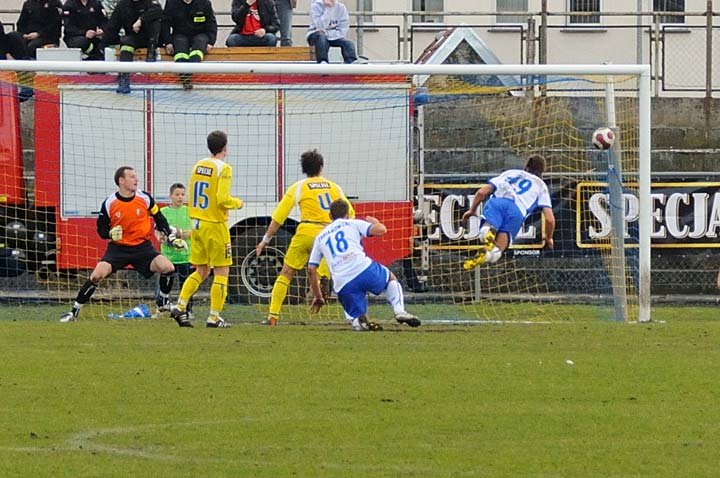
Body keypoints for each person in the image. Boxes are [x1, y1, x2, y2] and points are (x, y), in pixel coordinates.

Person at [60, 166, 190, 325]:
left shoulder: (145, 198)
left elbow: (160, 219)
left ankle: (162, 302)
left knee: (168, 267)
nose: (136, 180)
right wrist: (109, 234)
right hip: (118, 249)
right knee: (96, 275)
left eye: (136, 176)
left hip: (143, 248)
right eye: (132, 177)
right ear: (121, 181)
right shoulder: (109, 203)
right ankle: (73, 312)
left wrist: (171, 238)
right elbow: (101, 230)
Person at [255, 149, 353, 326]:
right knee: (340, 273)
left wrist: (265, 240)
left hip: (305, 232)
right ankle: (328, 286)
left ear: (303, 169)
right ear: (321, 167)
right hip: (327, 234)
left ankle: (272, 316)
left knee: (286, 273)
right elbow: (350, 214)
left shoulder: (298, 187)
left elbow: (279, 217)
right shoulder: (334, 187)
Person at [307, 199, 421, 331]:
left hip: (343, 282)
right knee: (390, 278)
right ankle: (399, 311)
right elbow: (381, 230)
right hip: (363, 268)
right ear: (348, 214)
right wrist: (375, 222)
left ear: (330, 216)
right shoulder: (352, 223)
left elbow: (311, 269)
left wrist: (318, 296)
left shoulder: (320, 237)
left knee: (353, 316)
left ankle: (359, 321)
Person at [170, 130, 244, 328]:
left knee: (201, 270)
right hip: (214, 225)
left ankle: (180, 305)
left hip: (196, 223)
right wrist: (237, 203)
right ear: (225, 147)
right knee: (222, 271)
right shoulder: (224, 168)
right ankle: (214, 317)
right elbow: (222, 199)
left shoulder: (198, 165)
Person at [461, 154, 556, 270]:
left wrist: (471, 210)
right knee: (498, 251)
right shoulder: (541, 186)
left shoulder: (510, 173)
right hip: (517, 213)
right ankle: (489, 254)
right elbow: (550, 219)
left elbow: (482, 192)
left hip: (499, 203)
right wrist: (548, 237)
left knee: (485, 231)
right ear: (542, 171)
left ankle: (487, 232)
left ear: (526, 166)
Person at [102, 0, 163, 94]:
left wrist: (141, 20)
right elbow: (112, 26)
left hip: (151, 40)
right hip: (132, 38)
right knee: (126, 43)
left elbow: (158, 11)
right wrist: (104, 44)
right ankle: (124, 78)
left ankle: (151, 55)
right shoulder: (123, 5)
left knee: (154, 21)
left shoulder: (150, 2)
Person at [154, 183, 194, 318]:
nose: (180, 197)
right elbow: (157, 230)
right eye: (177, 195)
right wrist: (161, 238)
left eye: (182, 194)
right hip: (168, 257)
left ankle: (188, 310)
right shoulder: (164, 212)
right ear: (170, 196)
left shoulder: (189, 211)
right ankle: (159, 309)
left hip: (185, 256)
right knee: (164, 283)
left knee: (186, 284)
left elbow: (194, 232)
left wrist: (179, 234)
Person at [161, 0, 217, 89]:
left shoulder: (205, 3)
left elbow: (211, 23)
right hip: (180, 34)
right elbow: (165, 23)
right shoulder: (172, 3)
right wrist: (168, 42)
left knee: (198, 46)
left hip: (200, 35)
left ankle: (187, 75)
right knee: (180, 50)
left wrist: (211, 42)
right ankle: (184, 77)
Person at [0, 24, 34, 102]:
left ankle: (25, 93)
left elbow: (1, 36)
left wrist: (7, 53)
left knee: (15, 36)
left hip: (9, 54)